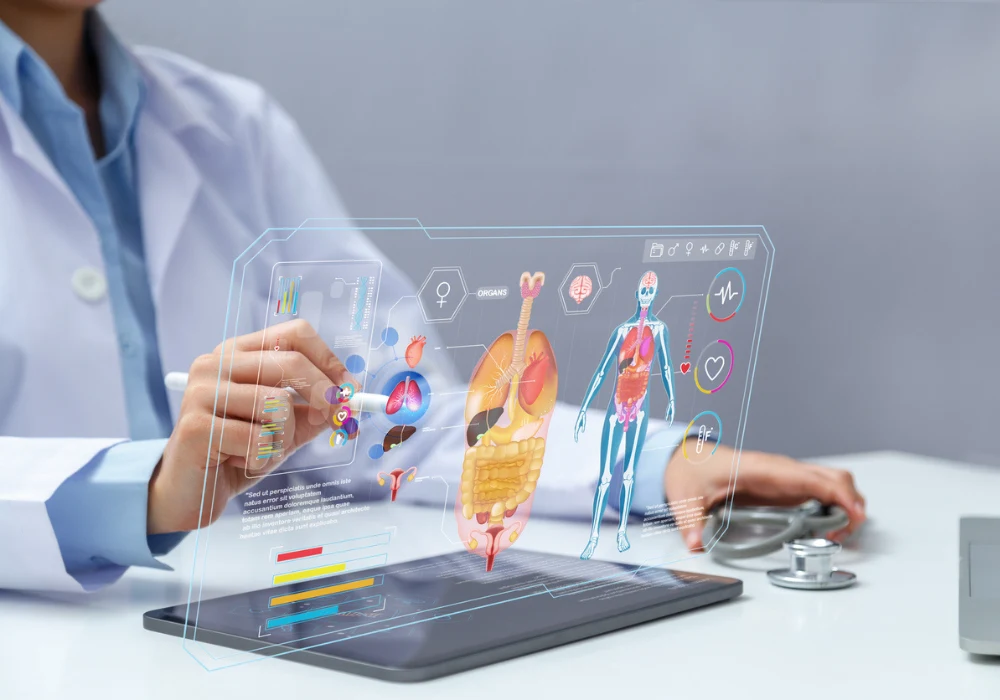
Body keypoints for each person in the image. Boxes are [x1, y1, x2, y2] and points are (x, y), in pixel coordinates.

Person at [0, 1, 866, 593]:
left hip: (240, 631)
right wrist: (143, 493)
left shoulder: (231, 127)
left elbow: (393, 415)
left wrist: (648, 462)